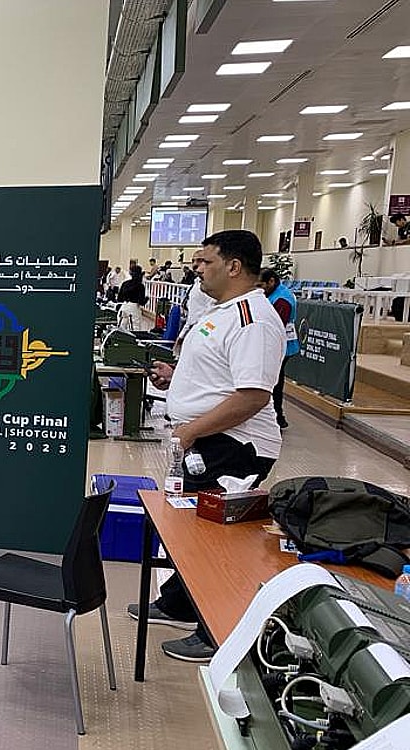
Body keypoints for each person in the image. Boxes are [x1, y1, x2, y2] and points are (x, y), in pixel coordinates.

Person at [128, 229, 284, 663]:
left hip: (235, 446)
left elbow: (252, 397)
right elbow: (219, 379)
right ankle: (178, 602)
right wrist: (175, 376)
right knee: (187, 528)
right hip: (206, 439)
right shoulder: (224, 312)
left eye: (204, 261)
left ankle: (214, 630)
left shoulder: (254, 320)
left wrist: (192, 428)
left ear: (234, 266)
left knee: (216, 541)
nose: (196, 268)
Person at [259, 269, 299, 429]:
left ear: (271, 281)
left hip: (282, 348)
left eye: (261, 285)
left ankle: (277, 416)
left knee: (275, 382)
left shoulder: (282, 299)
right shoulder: (272, 294)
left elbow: (276, 327)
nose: (259, 289)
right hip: (275, 346)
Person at [117, 265, 152, 332]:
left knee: (121, 328)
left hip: (124, 306)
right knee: (135, 329)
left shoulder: (125, 283)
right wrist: (147, 299)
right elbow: (141, 302)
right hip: (134, 308)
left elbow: (119, 298)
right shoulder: (140, 286)